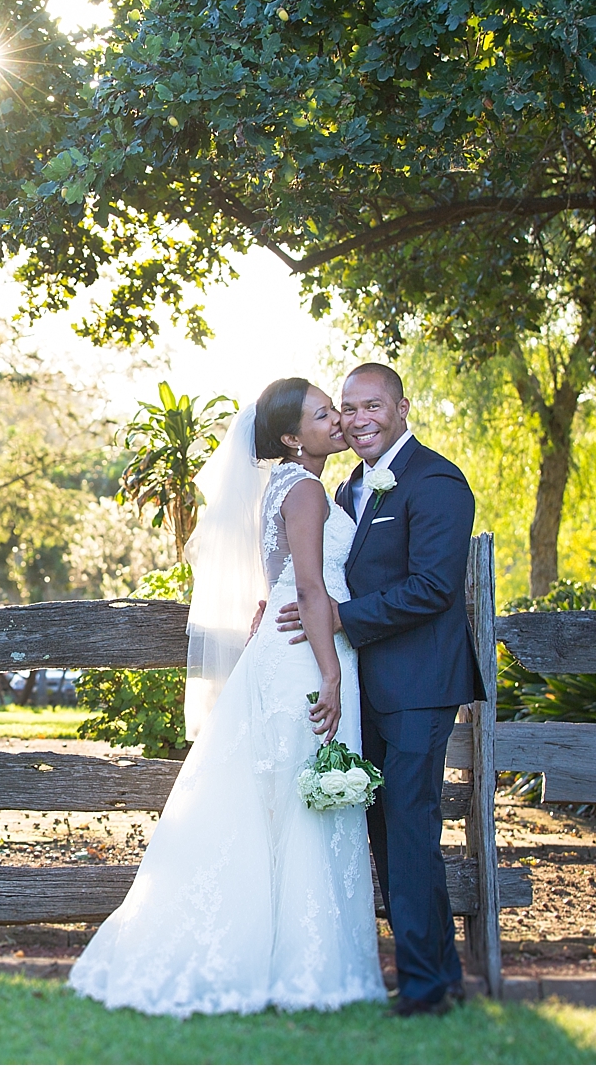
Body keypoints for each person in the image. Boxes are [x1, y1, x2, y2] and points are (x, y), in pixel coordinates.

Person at [68, 379, 386, 1017]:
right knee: (302, 803)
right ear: (294, 437)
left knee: (275, 800)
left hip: (280, 647)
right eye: (324, 415)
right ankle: (304, 965)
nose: (339, 421)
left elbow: (280, 582)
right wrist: (330, 674)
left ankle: (276, 954)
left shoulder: (280, 486)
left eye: (337, 411)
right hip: (306, 656)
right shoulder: (307, 489)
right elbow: (312, 589)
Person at [273, 362, 481, 1017]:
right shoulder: (348, 489)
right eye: (348, 408)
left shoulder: (437, 480)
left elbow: (434, 587)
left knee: (410, 824)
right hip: (369, 684)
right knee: (386, 831)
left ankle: (423, 989)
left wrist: (337, 618)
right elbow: (329, 571)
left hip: (420, 682)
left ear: (401, 408)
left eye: (372, 406)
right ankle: (437, 972)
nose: (359, 418)